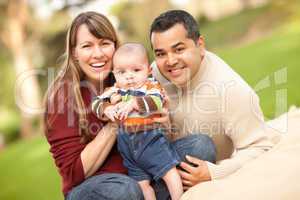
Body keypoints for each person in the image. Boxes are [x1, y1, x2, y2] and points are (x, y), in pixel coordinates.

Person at [44, 11, 216, 200]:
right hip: (97, 188)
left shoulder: (129, 76)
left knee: (200, 147)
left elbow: (156, 138)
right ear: (75, 52)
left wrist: (164, 123)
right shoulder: (61, 98)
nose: (98, 54)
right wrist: (117, 119)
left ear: (115, 47)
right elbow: (73, 175)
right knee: (125, 190)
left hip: (142, 170)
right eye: (87, 46)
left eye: (104, 44)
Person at [150, 9, 275, 190]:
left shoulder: (231, 90)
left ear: (200, 46)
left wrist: (214, 173)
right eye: (161, 53)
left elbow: (261, 148)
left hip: (197, 163)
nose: (170, 61)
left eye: (179, 49)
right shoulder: (154, 74)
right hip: (161, 162)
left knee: (201, 146)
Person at [92, 43, 216, 200]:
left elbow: (157, 100)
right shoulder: (115, 90)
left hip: (150, 140)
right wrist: (106, 108)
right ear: (114, 73)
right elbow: (96, 102)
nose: (129, 76)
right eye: (122, 72)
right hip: (128, 150)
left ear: (148, 71)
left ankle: (179, 197)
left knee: (169, 172)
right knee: (142, 185)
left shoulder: (150, 86)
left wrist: (134, 103)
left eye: (136, 70)